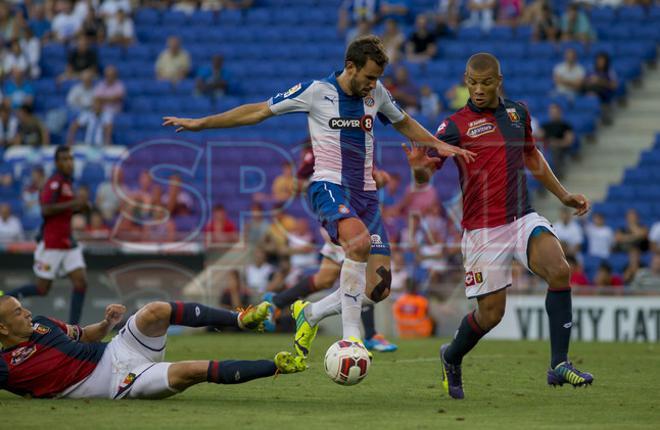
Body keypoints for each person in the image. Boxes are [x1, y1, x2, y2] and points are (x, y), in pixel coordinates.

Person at [163, 35, 474, 362]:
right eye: (369, 77)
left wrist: (436, 145)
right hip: (329, 187)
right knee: (358, 244)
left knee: (379, 289)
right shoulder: (316, 91)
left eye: (377, 79)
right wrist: (203, 124)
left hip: (367, 196)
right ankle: (353, 340)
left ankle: (309, 313)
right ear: (350, 67)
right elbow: (257, 111)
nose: (373, 84)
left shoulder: (377, 93)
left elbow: (404, 122)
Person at [403, 52, 593, 399]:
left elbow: (532, 156)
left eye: (485, 83)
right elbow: (428, 171)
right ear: (466, 80)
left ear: (498, 82)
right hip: (482, 230)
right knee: (491, 316)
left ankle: (558, 364)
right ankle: (451, 355)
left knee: (559, 270)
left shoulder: (517, 113)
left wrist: (564, 196)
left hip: (521, 217)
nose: (478, 89)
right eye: (472, 83)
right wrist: (418, 167)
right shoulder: (453, 126)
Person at [0, 295, 305, 399]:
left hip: (115, 349)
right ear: (2, 328)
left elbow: (84, 335)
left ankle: (241, 320)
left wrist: (106, 325)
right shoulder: (5, 366)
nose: (26, 312)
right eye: (17, 312)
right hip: (115, 383)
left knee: (155, 310)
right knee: (191, 371)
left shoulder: (41, 323)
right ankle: (275, 365)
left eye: (22, 307)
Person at [2, 146, 91, 324]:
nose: (69, 163)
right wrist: (74, 203)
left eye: (71, 159)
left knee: (81, 283)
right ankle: (4, 298)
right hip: (52, 243)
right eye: (65, 159)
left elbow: (65, 212)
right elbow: (45, 210)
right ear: (57, 163)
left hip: (68, 242)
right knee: (42, 289)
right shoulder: (54, 183)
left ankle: (75, 330)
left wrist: (80, 207)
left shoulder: (67, 183)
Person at [540, 103, 575, 180]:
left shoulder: (566, 126)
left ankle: (556, 175)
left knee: (553, 150)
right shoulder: (545, 125)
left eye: (555, 112)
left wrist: (555, 143)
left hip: (559, 149)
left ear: (560, 113)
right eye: (552, 112)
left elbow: (569, 141)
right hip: (545, 148)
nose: (553, 114)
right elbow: (538, 138)